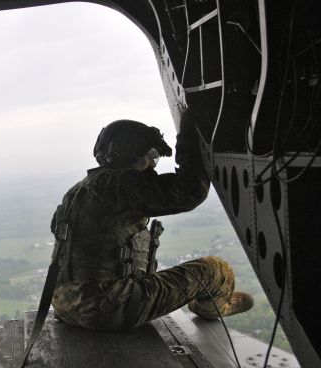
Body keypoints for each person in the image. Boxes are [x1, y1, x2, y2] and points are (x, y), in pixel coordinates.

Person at [50, 111, 254, 331]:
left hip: (66, 306)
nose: (152, 164)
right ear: (130, 156)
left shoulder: (80, 190)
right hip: (106, 310)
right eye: (150, 156)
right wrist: (186, 138)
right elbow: (190, 192)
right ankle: (212, 306)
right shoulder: (117, 185)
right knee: (216, 270)